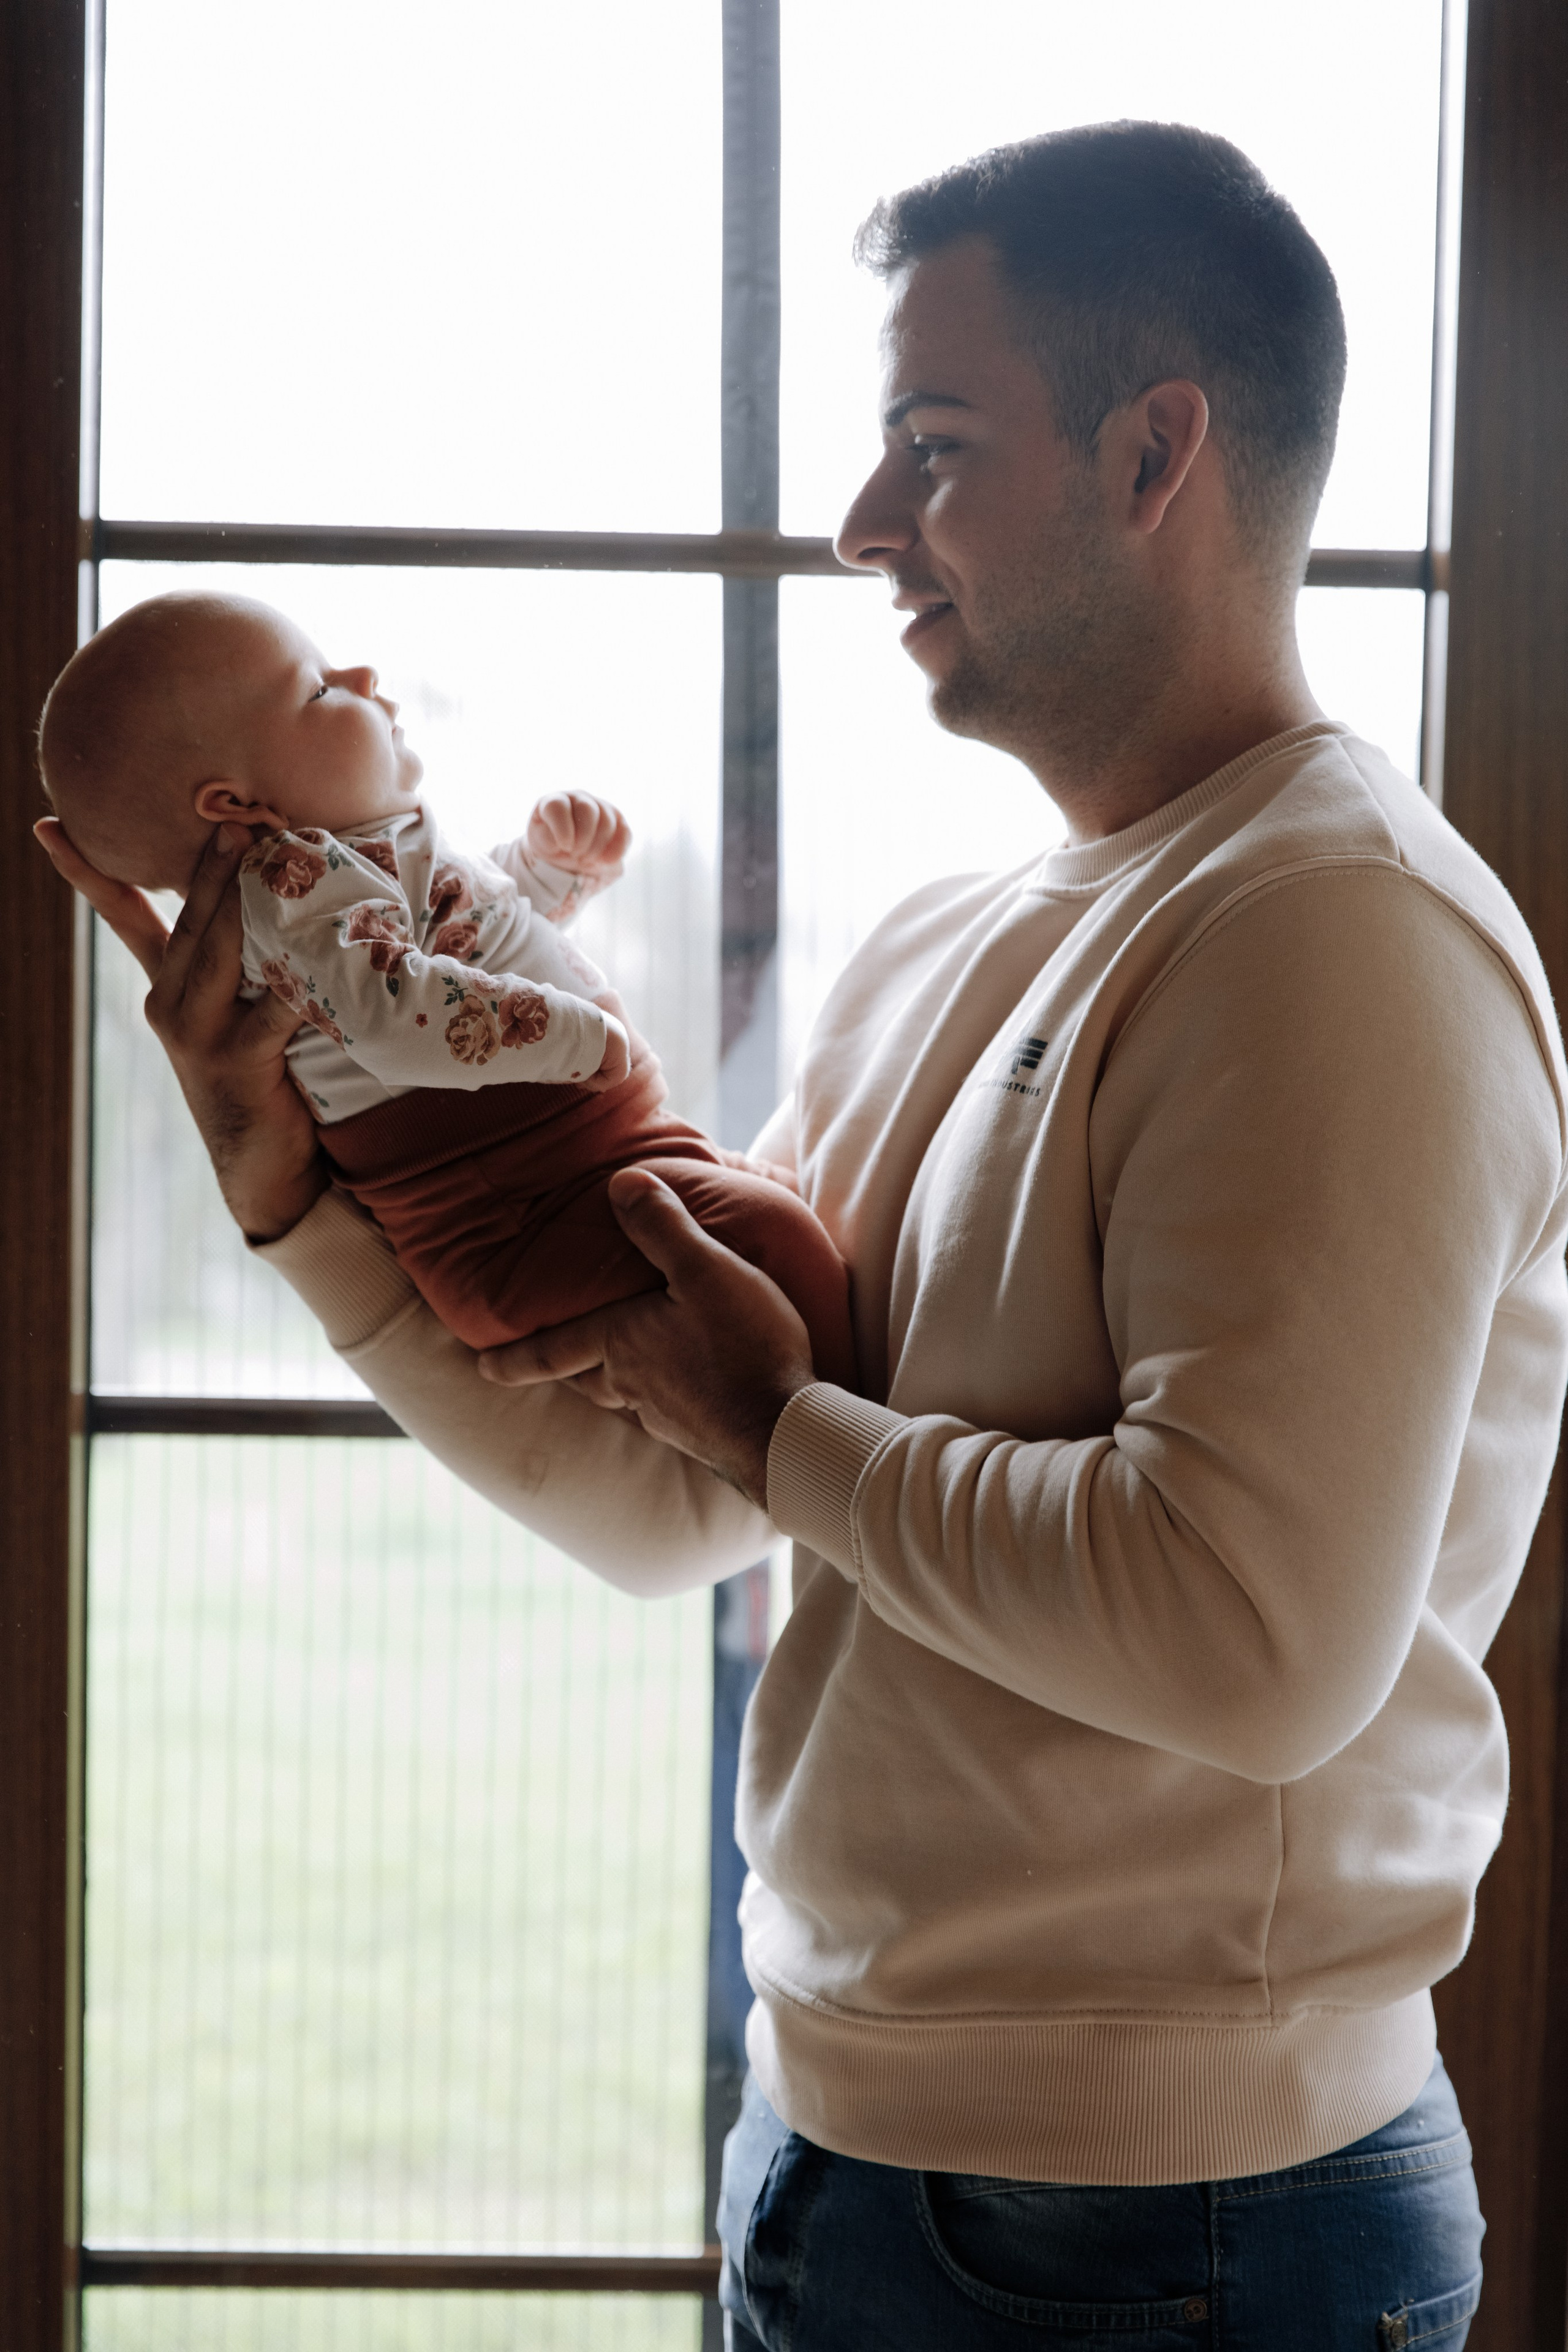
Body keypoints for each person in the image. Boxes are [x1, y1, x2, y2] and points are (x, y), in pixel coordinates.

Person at [37, 119, 1568, 2348]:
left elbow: (1252, 1640)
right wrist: (290, 1186)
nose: (864, 523)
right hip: (840, 2152)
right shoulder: (943, 938)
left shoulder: (1343, 935)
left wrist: (781, 1427)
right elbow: (682, 1499)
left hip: (1171, 2231)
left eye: (933, 447)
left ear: (1161, 454)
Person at [37, 592, 853, 1374]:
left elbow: (464, 941)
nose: (361, 679)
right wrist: (579, 1035)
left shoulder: (354, 862)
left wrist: (545, 873)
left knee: (799, 1216)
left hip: (580, 1163)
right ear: (241, 805)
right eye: (319, 689)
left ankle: (849, 1422)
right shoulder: (294, 885)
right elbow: (401, 1021)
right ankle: (847, 1445)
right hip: (510, 1218)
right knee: (775, 1234)